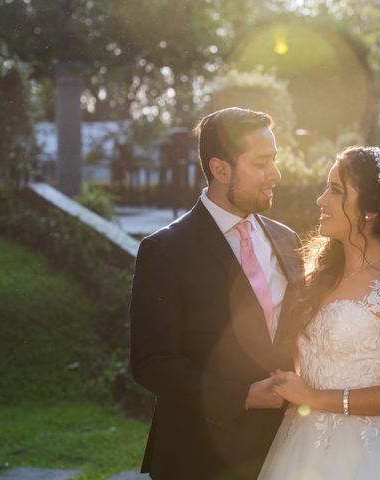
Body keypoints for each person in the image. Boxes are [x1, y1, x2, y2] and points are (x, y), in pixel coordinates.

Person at [258, 146, 380, 479]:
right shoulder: (315, 275)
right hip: (300, 445)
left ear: (369, 211)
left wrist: (313, 398)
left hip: (375, 454)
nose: (321, 200)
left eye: (335, 190)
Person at [130, 107, 303, 480]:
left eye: (275, 160)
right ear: (221, 169)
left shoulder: (287, 240)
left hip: (285, 449)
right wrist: (242, 395)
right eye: (262, 163)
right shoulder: (165, 251)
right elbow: (151, 363)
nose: (276, 174)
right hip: (199, 456)